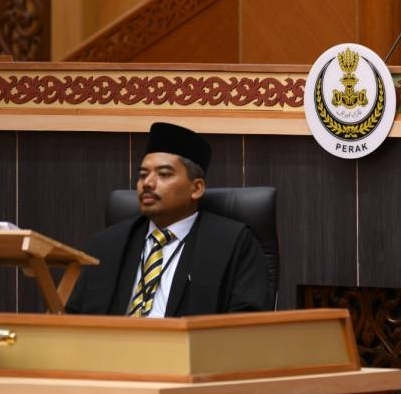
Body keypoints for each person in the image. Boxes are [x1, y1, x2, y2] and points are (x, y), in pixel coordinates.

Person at [65, 122, 269, 316]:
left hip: (189, 350)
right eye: (143, 175)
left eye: (163, 174)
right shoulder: (105, 245)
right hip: (111, 348)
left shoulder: (235, 243)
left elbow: (245, 324)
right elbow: (73, 318)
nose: (148, 183)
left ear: (196, 188)